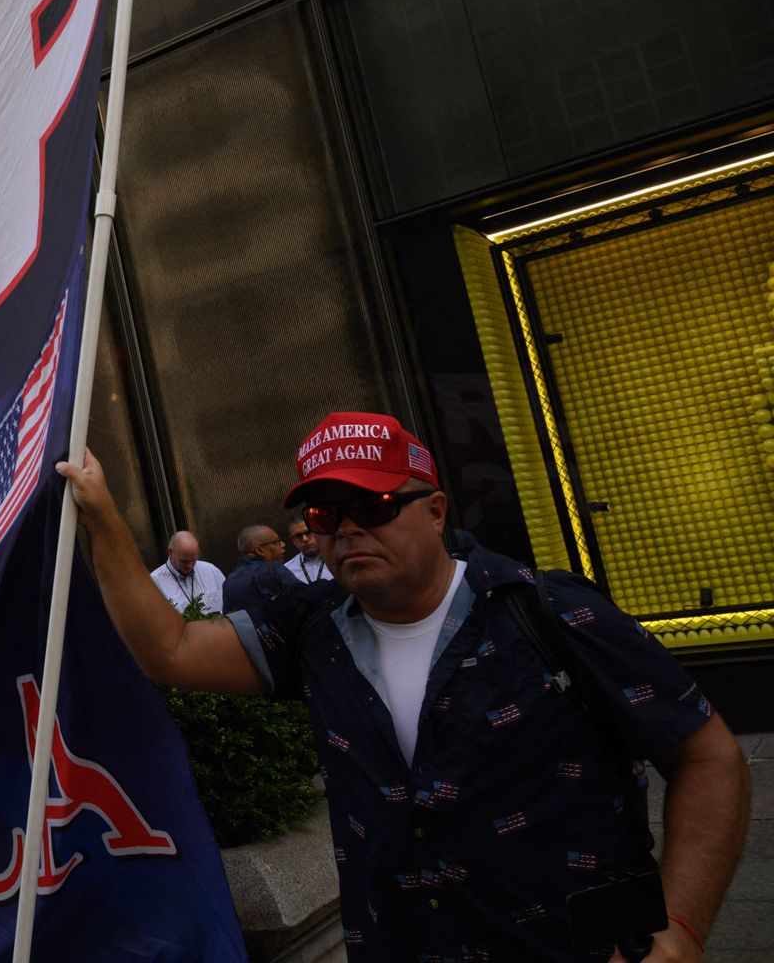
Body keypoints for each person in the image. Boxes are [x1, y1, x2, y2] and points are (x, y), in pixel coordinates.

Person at [57, 412, 749, 962]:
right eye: (327, 514)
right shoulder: (313, 631)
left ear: (437, 510)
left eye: (376, 503)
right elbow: (169, 648)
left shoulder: (550, 611)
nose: (350, 527)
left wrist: (680, 929)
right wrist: (104, 517)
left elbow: (708, 756)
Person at [223, 525, 303, 610]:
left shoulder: (228, 582)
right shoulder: (273, 570)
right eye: (277, 542)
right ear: (260, 550)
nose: (283, 544)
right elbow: (307, 598)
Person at [148, 531, 224, 614]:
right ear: (170, 552)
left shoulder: (211, 571)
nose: (190, 565)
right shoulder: (154, 582)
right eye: (184, 561)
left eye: (194, 559)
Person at [284, 515, 332, 584]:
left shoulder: (337, 558)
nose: (305, 539)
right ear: (293, 540)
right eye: (298, 536)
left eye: (309, 532)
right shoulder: (287, 570)